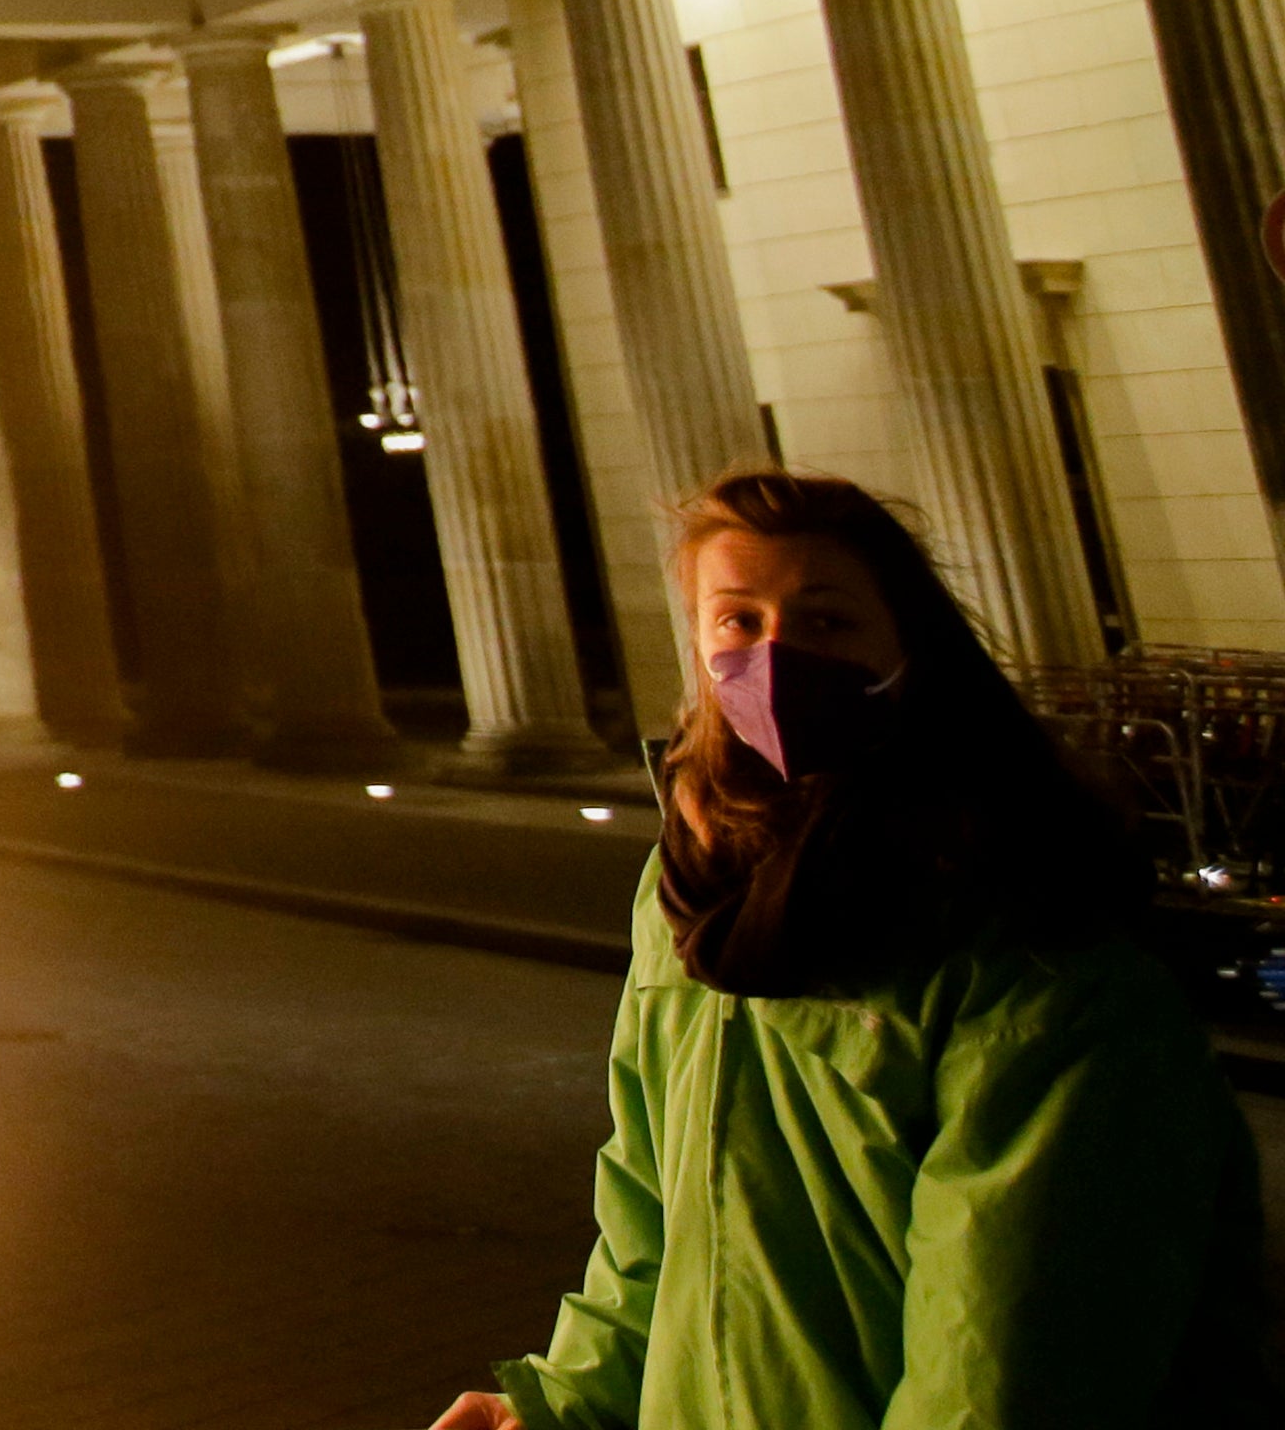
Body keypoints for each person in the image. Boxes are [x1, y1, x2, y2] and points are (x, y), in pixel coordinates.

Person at [433, 468, 1262, 1428]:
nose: (776, 656)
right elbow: (654, 1217)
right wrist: (562, 1404)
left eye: (826, 621)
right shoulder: (690, 889)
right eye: (737, 620)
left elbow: (1006, 1358)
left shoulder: (1023, 928)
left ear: (909, 648)